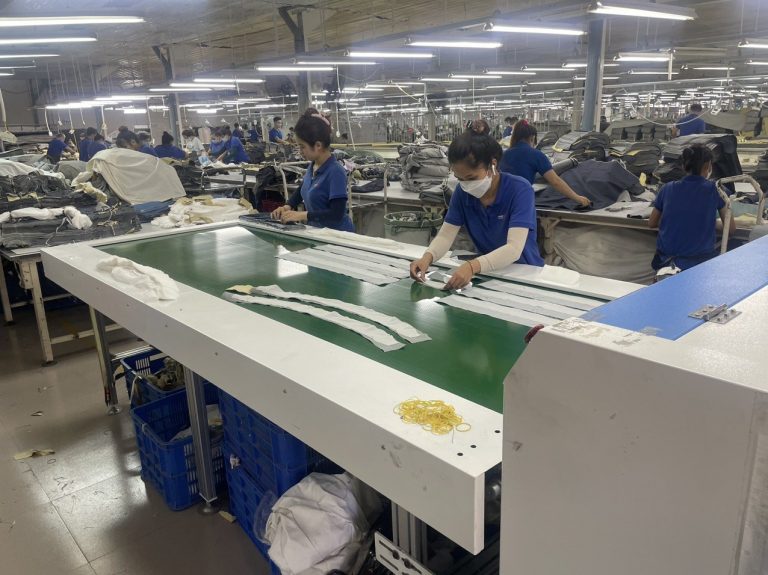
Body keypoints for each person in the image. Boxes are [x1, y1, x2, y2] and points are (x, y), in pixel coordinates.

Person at [410, 120, 544, 290]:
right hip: (488, 271)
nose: (466, 184)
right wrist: (427, 258)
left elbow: (514, 248)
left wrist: (471, 266)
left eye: (471, 178)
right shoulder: (462, 193)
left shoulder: (520, 190)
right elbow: (446, 236)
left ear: (492, 164)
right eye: (460, 179)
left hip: (524, 274)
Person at [648, 144, 734, 272]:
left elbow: (651, 223)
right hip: (699, 267)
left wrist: (676, 220)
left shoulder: (667, 188)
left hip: (667, 265)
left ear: (684, 166)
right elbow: (730, 229)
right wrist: (711, 222)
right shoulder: (717, 190)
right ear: (708, 166)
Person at [271, 108, 354, 232]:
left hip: (337, 236)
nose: (300, 151)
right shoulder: (313, 166)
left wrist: (302, 215)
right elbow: (303, 188)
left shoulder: (335, 172)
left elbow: (336, 214)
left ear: (318, 145)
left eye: (302, 146)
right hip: (318, 233)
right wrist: (287, 206)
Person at [499, 120, 590, 207]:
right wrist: (578, 198)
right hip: (520, 202)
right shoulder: (536, 155)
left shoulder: (504, 154)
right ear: (532, 138)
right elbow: (555, 181)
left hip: (500, 201)